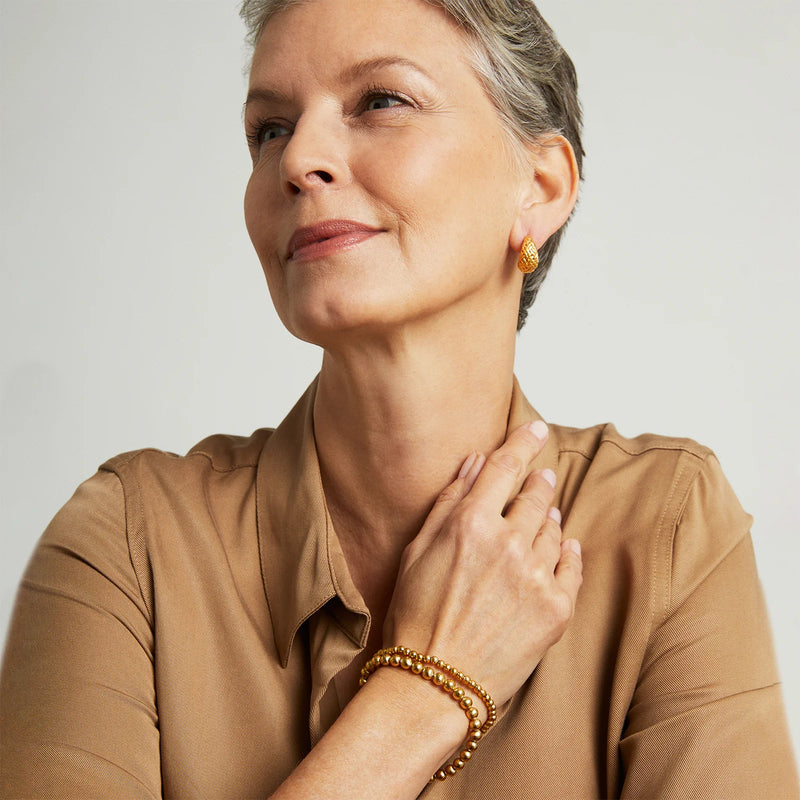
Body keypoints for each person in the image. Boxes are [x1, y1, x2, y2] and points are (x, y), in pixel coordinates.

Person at [1, 0, 798, 797]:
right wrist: (431, 686)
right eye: (269, 128)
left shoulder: (664, 529)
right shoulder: (128, 546)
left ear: (542, 186)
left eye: (381, 101)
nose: (297, 159)